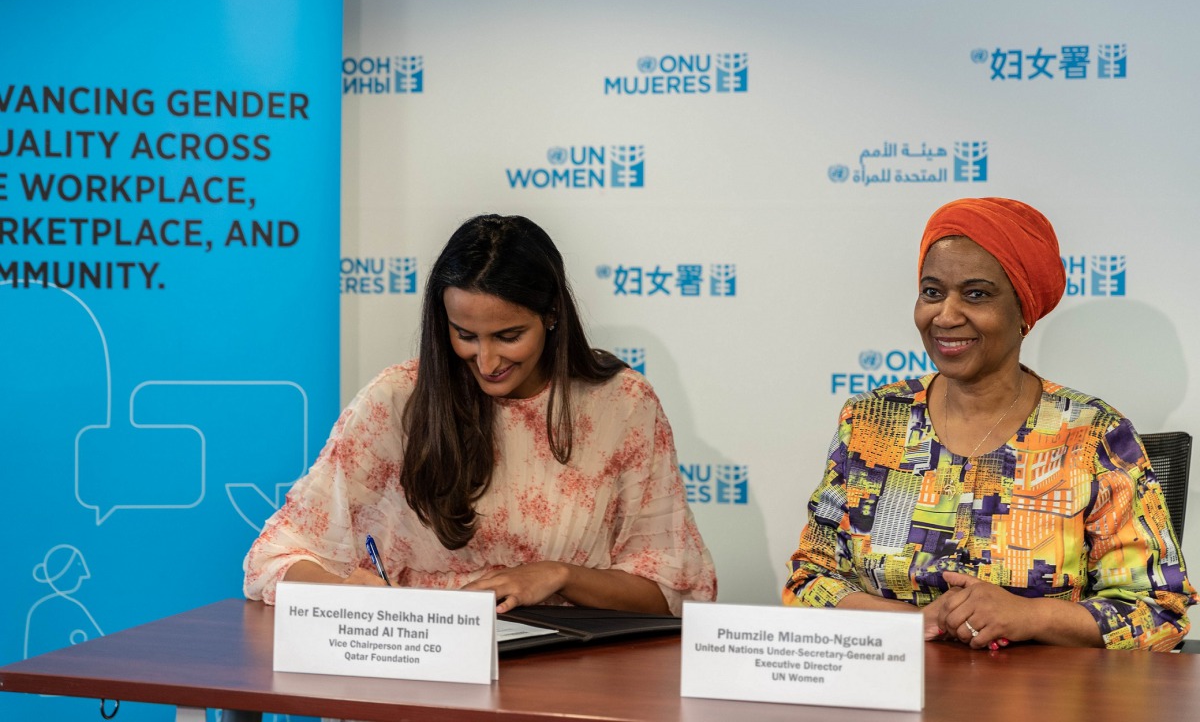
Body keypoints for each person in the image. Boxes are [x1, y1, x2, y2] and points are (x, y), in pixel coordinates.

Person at [245, 214, 716, 615]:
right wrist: (342, 592)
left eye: (509, 336)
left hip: (563, 676)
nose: (487, 362)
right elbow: (274, 556)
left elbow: (674, 593)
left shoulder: (622, 404)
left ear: (552, 315)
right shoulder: (398, 400)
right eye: (465, 335)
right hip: (414, 667)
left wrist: (559, 577)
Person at [782, 197, 1196, 650]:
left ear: (1024, 311)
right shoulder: (871, 421)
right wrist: (915, 621)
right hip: (889, 692)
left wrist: (1029, 616)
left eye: (976, 294)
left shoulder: (1092, 435)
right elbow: (809, 582)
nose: (946, 315)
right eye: (932, 292)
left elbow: (1159, 611)